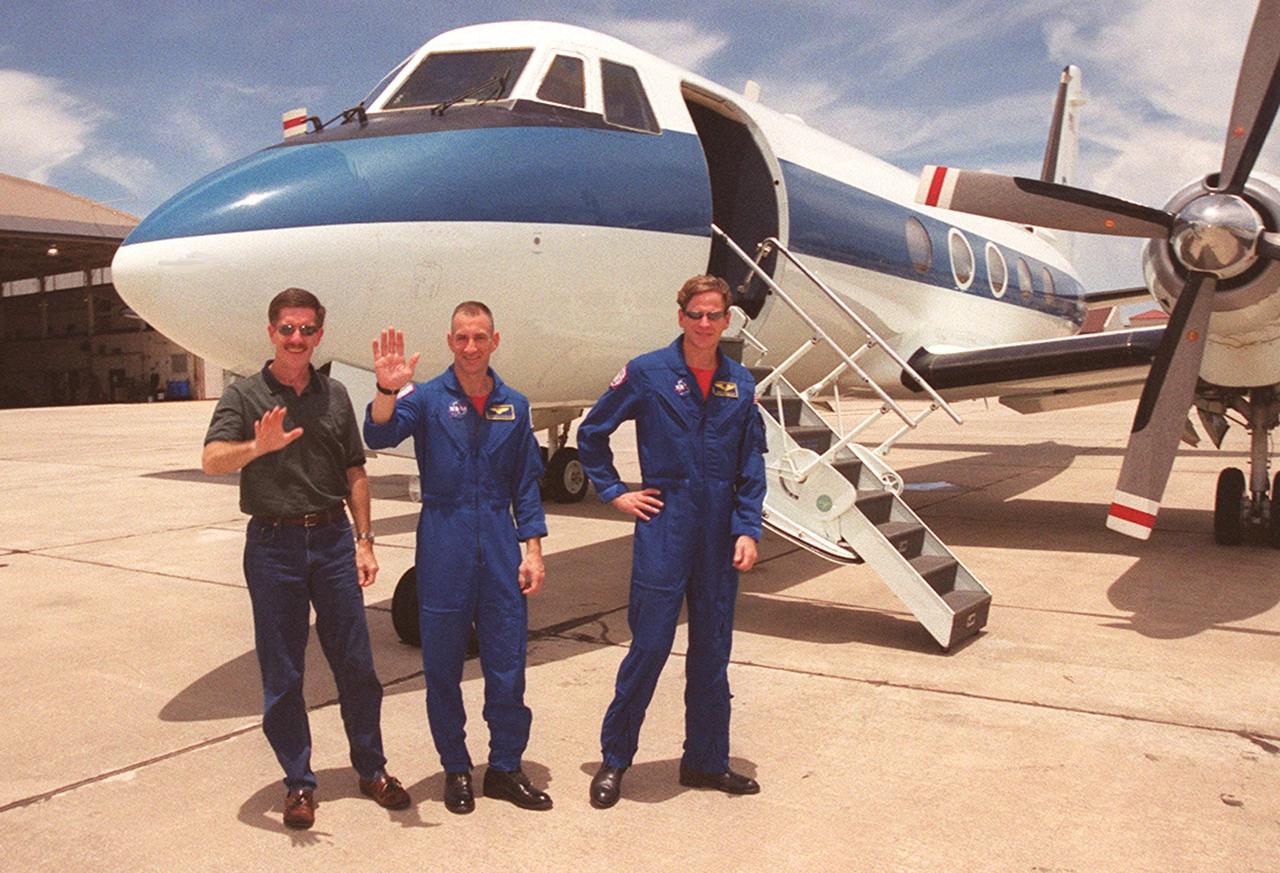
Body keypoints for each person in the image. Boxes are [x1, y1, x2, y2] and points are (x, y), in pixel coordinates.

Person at [201, 287, 409, 830]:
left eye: (307, 330)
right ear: (272, 332)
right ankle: (299, 782)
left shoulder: (335, 394)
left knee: (357, 665)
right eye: (287, 329)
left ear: (319, 334)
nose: (297, 339)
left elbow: (355, 473)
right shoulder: (245, 395)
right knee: (283, 672)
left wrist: (365, 539)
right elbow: (211, 460)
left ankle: (372, 768)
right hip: (274, 547)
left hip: (334, 542)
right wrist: (255, 448)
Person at [578, 274, 767, 809]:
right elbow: (592, 432)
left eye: (714, 315)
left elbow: (751, 463)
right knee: (651, 645)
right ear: (680, 316)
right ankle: (615, 759)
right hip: (666, 522)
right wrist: (615, 491)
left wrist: (748, 527)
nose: (704, 324)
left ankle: (706, 761)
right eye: (695, 315)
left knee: (712, 652)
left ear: (728, 319)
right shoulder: (647, 372)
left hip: (719, 533)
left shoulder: (740, 382)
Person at [363, 301, 551, 814]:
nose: (471, 347)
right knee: (443, 663)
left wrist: (532, 549)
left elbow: (525, 486)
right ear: (450, 342)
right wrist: (385, 388)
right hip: (443, 538)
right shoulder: (424, 399)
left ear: (495, 340)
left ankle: (506, 768)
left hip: (497, 538)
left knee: (508, 661)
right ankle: (456, 769)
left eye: (480, 337)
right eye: (462, 338)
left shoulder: (515, 403)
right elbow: (377, 433)